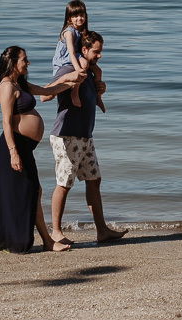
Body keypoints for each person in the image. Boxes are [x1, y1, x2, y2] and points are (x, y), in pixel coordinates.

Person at [0, 46, 80, 253]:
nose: (28, 63)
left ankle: (1, 238)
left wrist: (70, 82)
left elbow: (47, 91)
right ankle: (46, 241)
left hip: (25, 147)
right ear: (12, 63)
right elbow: (6, 122)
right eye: (24, 60)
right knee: (29, 191)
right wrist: (13, 152)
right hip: (14, 147)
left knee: (25, 192)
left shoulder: (21, 84)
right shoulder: (7, 87)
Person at [48, 30, 127, 245]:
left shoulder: (91, 74)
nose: (100, 55)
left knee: (94, 180)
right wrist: (67, 78)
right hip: (67, 136)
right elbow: (45, 95)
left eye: (101, 51)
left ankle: (102, 230)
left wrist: (99, 89)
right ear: (83, 50)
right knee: (64, 184)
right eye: (96, 51)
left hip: (85, 136)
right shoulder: (68, 69)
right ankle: (55, 231)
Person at [50, 0, 89, 107]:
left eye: (81, 15)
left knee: (86, 64)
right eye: (75, 16)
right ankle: (75, 91)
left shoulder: (81, 32)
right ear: (69, 18)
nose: (79, 18)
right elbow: (71, 52)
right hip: (64, 59)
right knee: (84, 64)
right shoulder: (69, 32)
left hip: (74, 56)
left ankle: (76, 89)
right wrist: (78, 69)